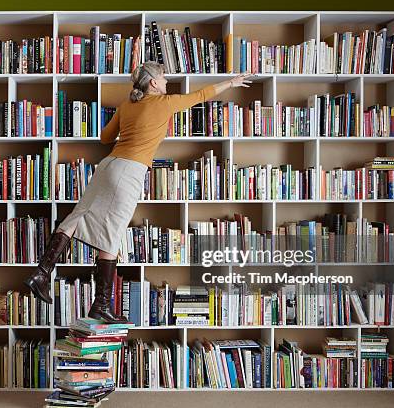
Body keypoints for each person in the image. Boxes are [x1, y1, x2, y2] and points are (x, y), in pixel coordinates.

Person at [24, 61, 252, 323]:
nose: (166, 80)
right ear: (154, 82)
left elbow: (105, 138)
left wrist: (130, 127)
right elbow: (200, 96)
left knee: (78, 216)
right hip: (129, 172)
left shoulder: (126, 105)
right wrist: (231, 82)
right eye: (163, 77)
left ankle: (41, 273)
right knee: (112, 233)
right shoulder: (164, 102)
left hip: (108, 166)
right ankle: (100, 305)